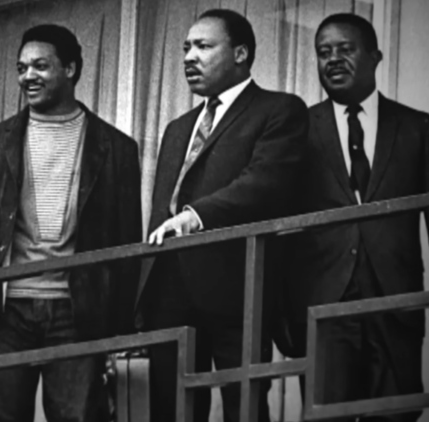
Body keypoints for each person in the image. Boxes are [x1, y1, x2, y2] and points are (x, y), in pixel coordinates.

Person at [0, 24, 142, 422]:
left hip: (79, 313)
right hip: (4, 312)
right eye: (21, 68)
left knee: (77, 417)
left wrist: (119, 328)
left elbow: (127, 242)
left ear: (70, 69)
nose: (27, 77)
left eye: (40, 66)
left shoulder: (117, 148)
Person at [279, 13, 429, 421]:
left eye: (345, 49)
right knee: (326, 415)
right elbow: (280, 224)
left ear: (375, 56)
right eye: (323, 52)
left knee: (397, 414)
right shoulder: (297, 130)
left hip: (396, 300)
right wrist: (281, 313)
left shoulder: (417, 128)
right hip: (323, 306)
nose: (332, 59)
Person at [137, 9, 309, 422]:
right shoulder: (178, 128)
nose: (188, 57)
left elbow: (264, 184)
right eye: (184, 48)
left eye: (203, 46)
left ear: (241, 53)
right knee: (171, 410)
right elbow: (163, 208)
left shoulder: (279, 110)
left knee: (244, 406)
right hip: (169, 292)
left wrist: (196, 216)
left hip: (239, 288)